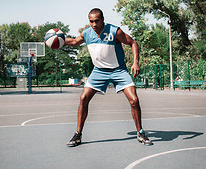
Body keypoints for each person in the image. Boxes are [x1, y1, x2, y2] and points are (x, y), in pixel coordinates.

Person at [64, 8, 152, 146]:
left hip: (119, 70)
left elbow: (133, 43)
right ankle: (77, 135)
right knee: (83, 98)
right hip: (99, 71)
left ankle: (140, 132)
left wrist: (135, 62)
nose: (94, 24)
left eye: (97, 21)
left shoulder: (114, 31)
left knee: (134, 100)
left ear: (103, 19)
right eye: (91, 21)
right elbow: (74, 42)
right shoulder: (87, 33)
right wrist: (58, 40)